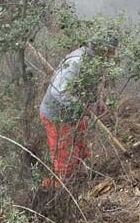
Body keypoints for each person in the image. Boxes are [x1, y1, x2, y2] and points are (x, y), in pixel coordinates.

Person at [38, 42, 114, 188]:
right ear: (103, 48)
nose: (113, 56)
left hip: (74, 115)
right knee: (65, 163)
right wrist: (81, 107)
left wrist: (97, 102)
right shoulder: (77, 62)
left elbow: (87, 86)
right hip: (57, 117)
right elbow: (60, 92)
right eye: (111, 52)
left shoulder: (95, 61)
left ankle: (81, 183)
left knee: (81, 151)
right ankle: (55, 191)